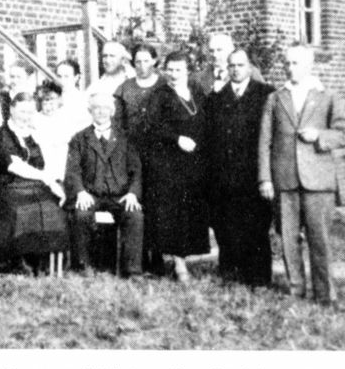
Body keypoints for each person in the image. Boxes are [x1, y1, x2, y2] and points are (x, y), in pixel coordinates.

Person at [258, 44, 345, 305]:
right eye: (287, 63)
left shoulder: (327, 96)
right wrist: (265, 178)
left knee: (319, 240)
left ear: (309, 65)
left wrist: (319, 135)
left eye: (295, 63)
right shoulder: (276, 98)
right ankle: (296, 290)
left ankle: (325, 294)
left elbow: (344, 134)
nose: (289, 68)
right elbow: (264, 141)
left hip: (318, 181)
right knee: (288, 239)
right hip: (285, 179)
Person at [205, 48, 274, 286]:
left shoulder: (265, 93)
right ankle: (230, 274)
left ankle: (258, 278)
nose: (235, 70)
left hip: (252, 174)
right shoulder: (217, 97)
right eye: (231, 65)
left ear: (250, 68)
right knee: (226, 225)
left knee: (255, 226)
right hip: (224, 175)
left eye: (240, 65)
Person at [0, 92, 68, 273]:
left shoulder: (35, 133)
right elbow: (15, 166)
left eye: (30, 112)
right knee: (21, 208)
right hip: (7, 183)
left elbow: (49, 162)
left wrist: (53, 182)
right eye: (22, 112)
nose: (26, 117)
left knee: (50, 207)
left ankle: (44, 261)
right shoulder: (3, 133)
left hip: (35, 184)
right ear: (12, 110)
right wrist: (46, 179)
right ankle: (17, 260)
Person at [141, 51, 209, 282]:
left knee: (190, 211)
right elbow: (152, 126)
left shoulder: (196, 91)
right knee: (175, 213)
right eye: (169, 69)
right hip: (169, 163)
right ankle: (179, 265)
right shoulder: (159, 95)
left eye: (178, 69)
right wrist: (176, 139)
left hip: (194, 162)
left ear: (187, 71)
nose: (173, 74)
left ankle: (185, 258)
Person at [65, 92, 144, 277]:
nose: (101, 112)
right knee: (81, 214)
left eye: (105, 108)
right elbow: (72, 170)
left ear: (112, 111)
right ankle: (83, 267)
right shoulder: (79, 139)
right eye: (96, 108)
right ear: (89, 111)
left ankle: (132, 270)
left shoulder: (125, 138)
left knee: (135, 215)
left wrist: (132, 193)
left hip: (119, 195)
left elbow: (136, 171)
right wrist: (80, 192)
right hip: (91, 194)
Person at [113, 43, 163, 133]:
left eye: (146, 61)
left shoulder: (164, 84)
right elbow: (117, 121)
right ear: (133, 63)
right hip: (131, 139)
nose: (142, 66)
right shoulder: (125, 87)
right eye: (138, 62)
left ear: (154, 61)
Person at [195, 32, 264, 95]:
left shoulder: (250, 73)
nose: (215, 55)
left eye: (219, 50)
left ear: (230, 51)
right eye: (211, 51)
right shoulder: (199, 79)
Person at [55, 58, 90, 133]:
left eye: (66, 76)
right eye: (59, 76)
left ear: (76, 77)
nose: (62, 80)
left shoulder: (83, 100)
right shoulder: (52, 98)